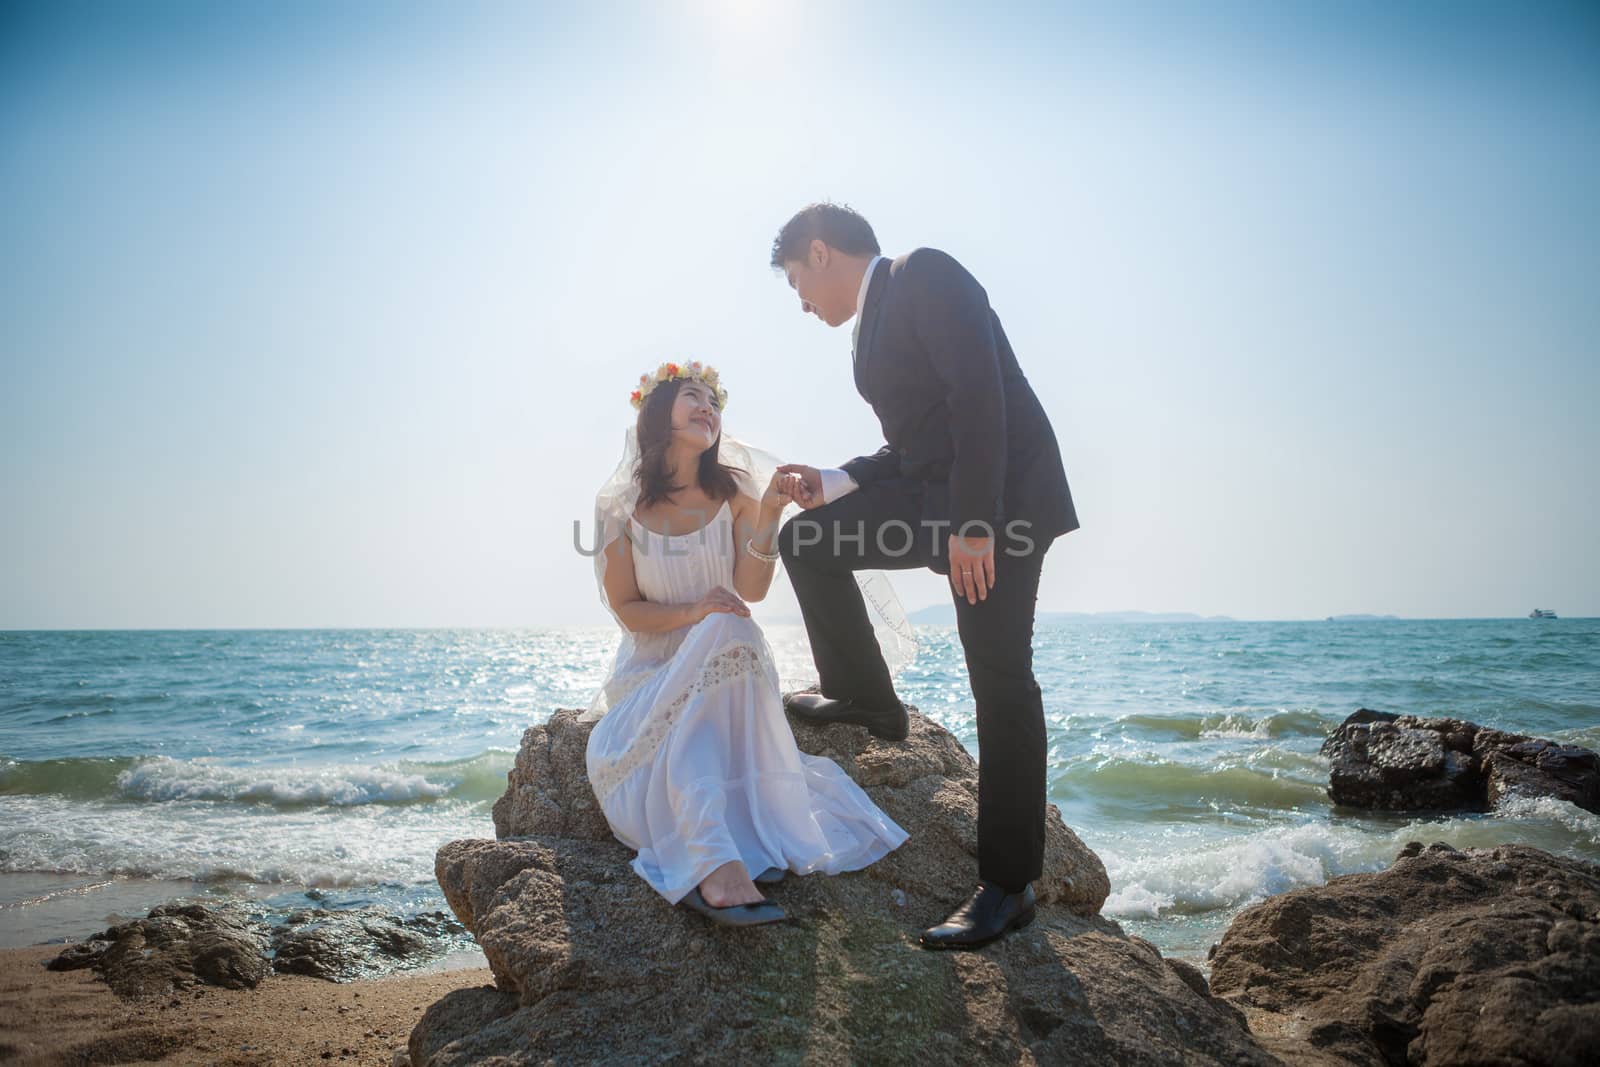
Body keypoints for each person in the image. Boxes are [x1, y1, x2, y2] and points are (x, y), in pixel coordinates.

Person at [769, 203, 1080, 950]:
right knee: (806, 538)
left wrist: (976, 523)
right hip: (939, 499)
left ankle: (1009, 886)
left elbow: (982, 400)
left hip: (1001, 503)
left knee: (999, 679)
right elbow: (911, 448)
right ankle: (866, 695)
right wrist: (836, 477)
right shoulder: (867, 332)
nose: (803, 304)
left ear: (820, 252)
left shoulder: (924, 274)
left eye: (795, 284)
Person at [582, 359, 910, 927]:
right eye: (693, 397)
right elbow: (628, 610)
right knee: (720, 624)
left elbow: (750, 591)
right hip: (656, 672)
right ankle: (714, 858)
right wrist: (693, 610)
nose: (708, 408)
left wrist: (769, 513)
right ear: (657, 412)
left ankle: (717, 857)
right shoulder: (621, 508)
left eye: (713, 402)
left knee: (732, 624)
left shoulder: (734, 493)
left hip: (731, 661)